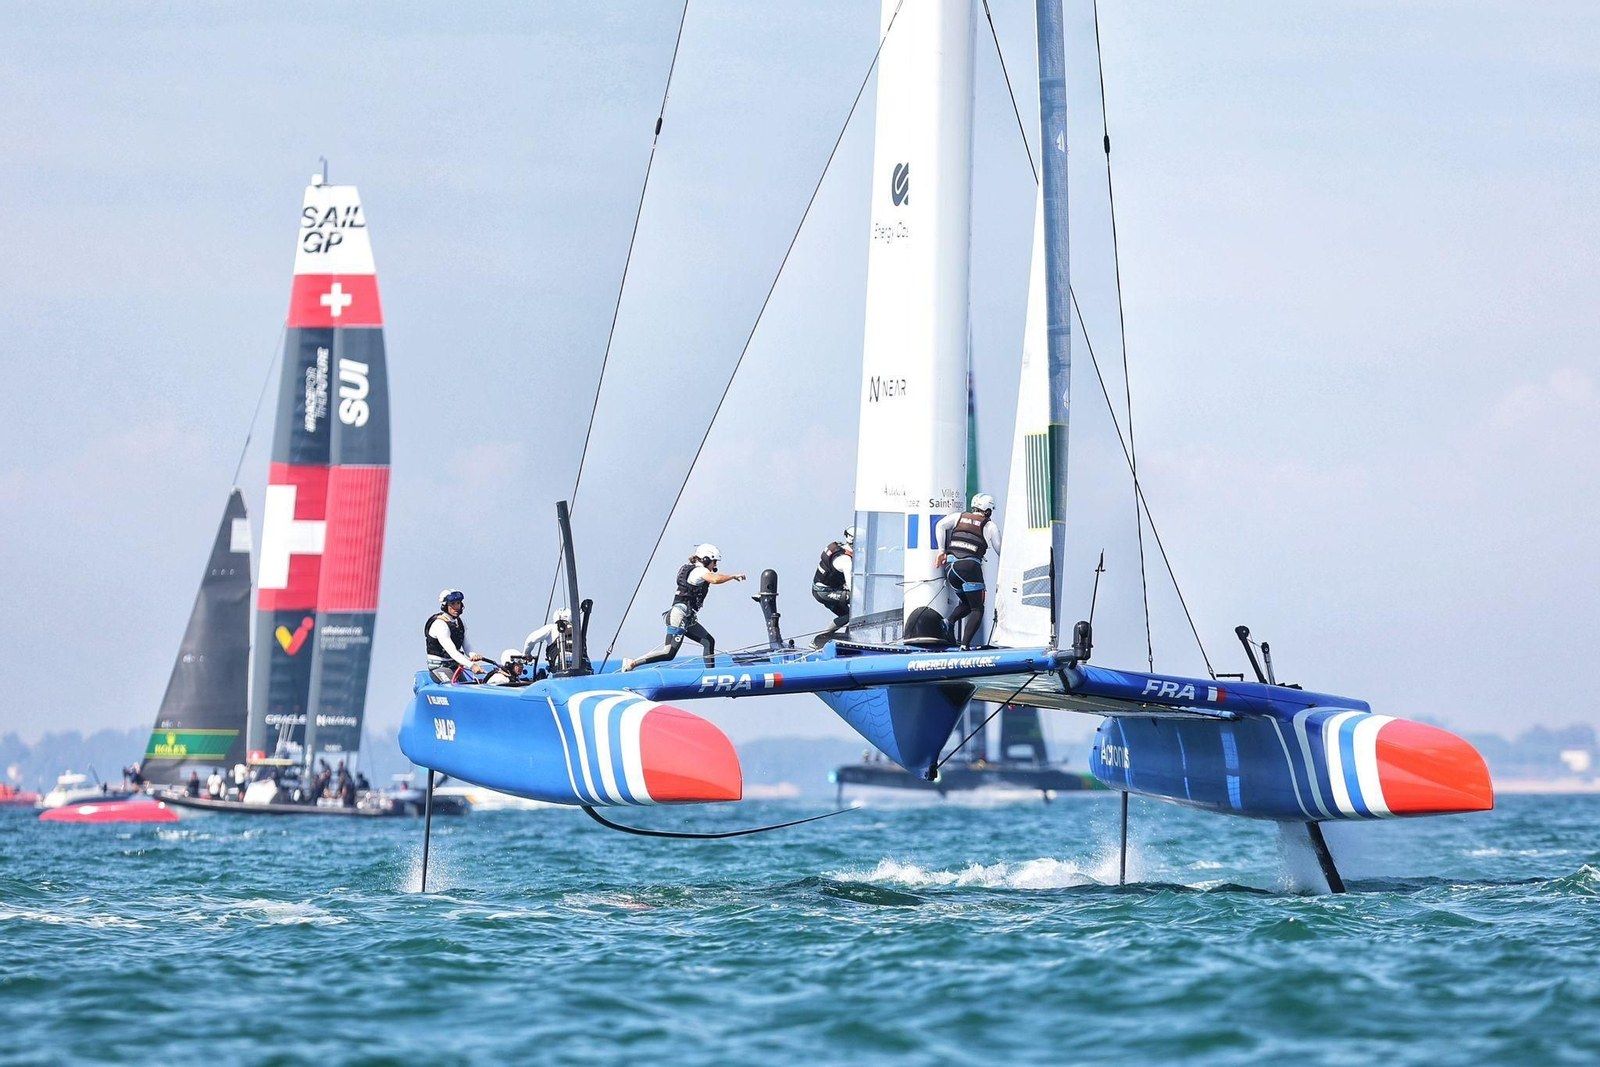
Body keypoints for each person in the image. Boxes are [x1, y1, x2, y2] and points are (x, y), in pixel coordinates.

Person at [624, 544, 746, 670]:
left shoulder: (697, 570)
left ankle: (710, 674)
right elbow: (715, 579)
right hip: (679, 615)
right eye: (714, 561)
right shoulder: (699, 571)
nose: (715, 565)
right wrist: (733, 576)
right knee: (669, 653)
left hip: (687, 617)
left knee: (708, 641)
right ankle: (632, 663)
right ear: (706, 559)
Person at [934, 493, 1001, 648]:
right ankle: (965, 645)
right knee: (978, 609)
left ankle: (949, 621)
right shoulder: (990, 526)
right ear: (988, 510)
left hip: (951, 569)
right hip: (969, 568)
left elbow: (940, 525)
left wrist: (941, 551)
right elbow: (1000, 551)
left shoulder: (958, 516)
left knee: (967, 603)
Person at [425, 588, 485, 682]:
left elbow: (467, 645)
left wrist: (473, 655)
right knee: (452, 687)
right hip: (439, 667)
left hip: (454, 665)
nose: (457, 607)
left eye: (458, 603)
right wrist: (471, 665)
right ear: (445, 605)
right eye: (453, 604)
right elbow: (452, 651)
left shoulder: (460, 622)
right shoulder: (440, 625)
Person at [812, 527, 858, 643]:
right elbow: (852, 588)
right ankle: (820, 639)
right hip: (824, 592)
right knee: (855, 606)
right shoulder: (846, 561)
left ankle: (849, 638)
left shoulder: (840, 548)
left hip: (820, 589)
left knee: (847, 615)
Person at [523, 608, 573, 673]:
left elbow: (530, 640)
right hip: (583, 666)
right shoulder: (578, 630)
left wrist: (526, 654)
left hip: (561, 668)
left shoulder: (552, 628)